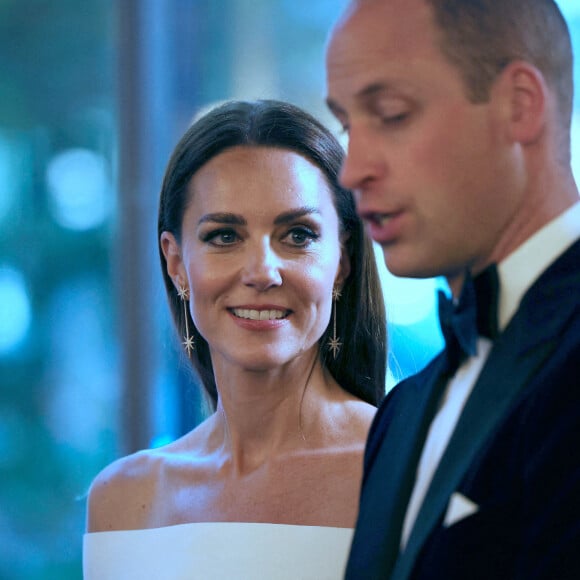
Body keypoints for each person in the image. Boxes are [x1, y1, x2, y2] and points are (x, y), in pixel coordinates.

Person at [325, 0, 580, 578]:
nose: (351, 169)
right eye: (346, 124)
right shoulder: (401, 411)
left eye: (390, 114)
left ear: (520, 104)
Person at [83, 99, 387, 579]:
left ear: (343, 262)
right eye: (224, 236)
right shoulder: (122, 501)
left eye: (298, 235)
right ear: (176, 262)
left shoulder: (410, 467)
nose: (262, 272)